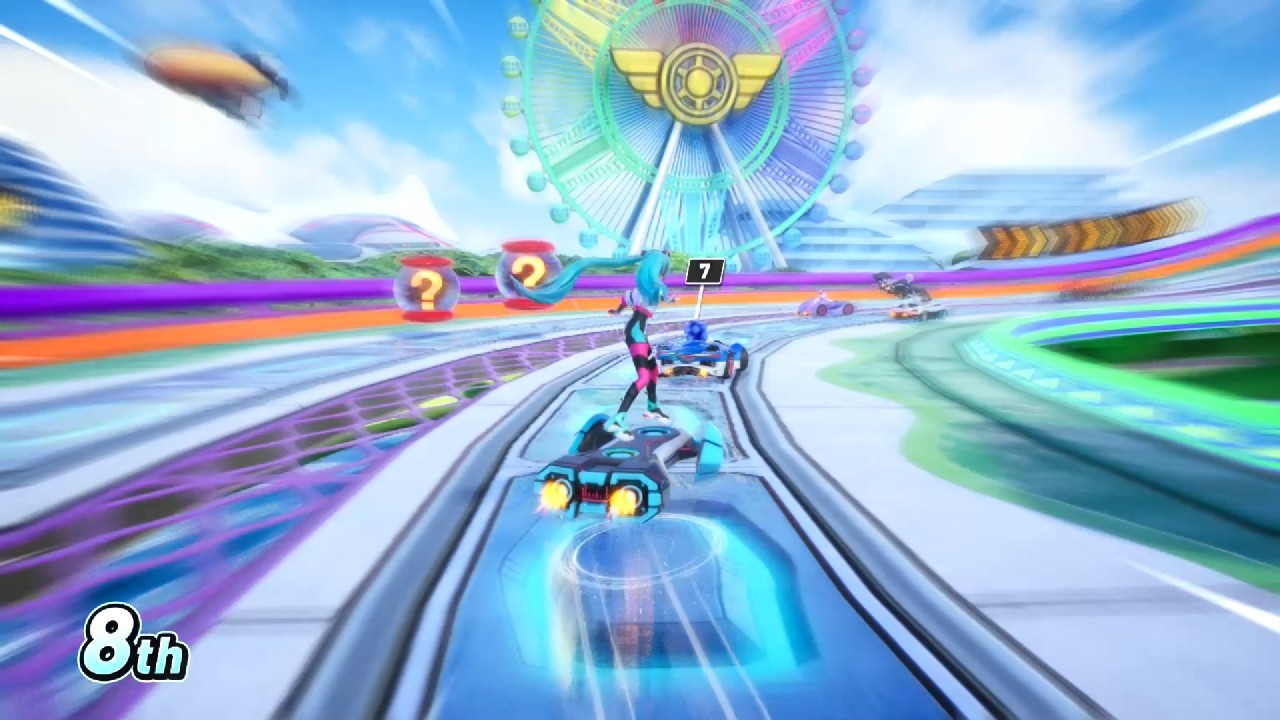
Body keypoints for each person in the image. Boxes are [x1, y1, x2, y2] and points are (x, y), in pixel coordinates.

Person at [510, 249, 676, 440]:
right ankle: (618, 419)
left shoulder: (638, 291)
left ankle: (652, 407)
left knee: (653, 370)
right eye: (663, 270)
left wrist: (617, 311)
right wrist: (668, 298)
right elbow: (662, 295)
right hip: (636, 334)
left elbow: (624, 301)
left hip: (637, 332)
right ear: (660, 270)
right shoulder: (657, 288)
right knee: (644, 376)